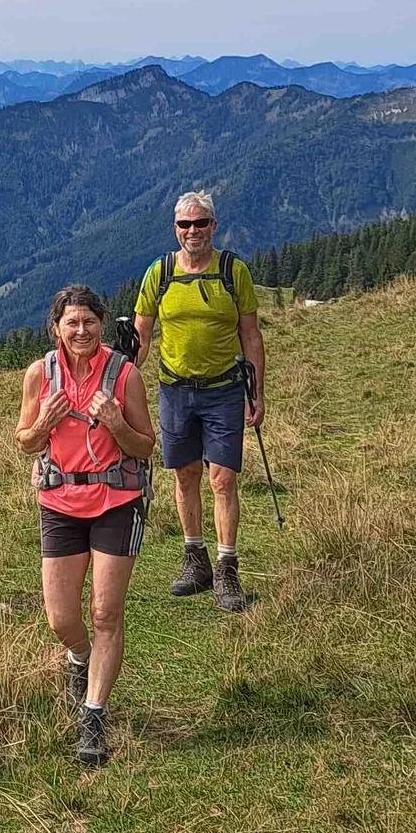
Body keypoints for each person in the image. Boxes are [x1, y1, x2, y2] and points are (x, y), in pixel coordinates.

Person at [15, 285, 157, 766]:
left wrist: (117, 424)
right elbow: (25, 441)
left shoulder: (124, 374)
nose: (81, 331)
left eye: (89, 322)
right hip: (60, 501)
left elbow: (145, 446)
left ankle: (93, 718)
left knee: (105, 614)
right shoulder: (40, 374)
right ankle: (80, 657)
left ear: (102, 324)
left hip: (117, 499)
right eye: (71, 323)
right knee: (60, 617)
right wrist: (43, 425)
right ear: (56, 328)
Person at [133, 191, 265, 612]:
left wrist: (257, 392)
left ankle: (227, 568)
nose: (193, 231)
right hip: (174, 390)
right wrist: (119, 383)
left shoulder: (233, 271)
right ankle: (196, 561)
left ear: (214, 225)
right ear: (175, 229)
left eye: (201, 223)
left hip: (224, 389)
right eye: (185, 224)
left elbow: (250, 334)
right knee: (185, 475)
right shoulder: (159, 273)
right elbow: (141, 337)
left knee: (222, 479)